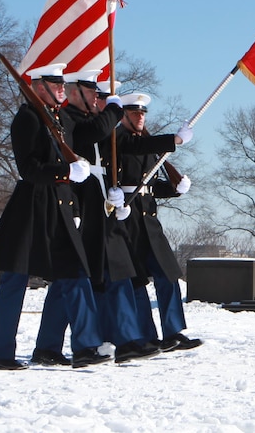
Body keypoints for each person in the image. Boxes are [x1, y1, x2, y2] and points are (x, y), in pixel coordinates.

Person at [0, 63, 122, 370]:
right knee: (14, 281)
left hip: (60, 207)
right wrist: (65, 171)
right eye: (57, 85)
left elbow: (92, 130)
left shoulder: (59, 119)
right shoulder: (28, 118)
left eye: (62, 86)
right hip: (32, 206)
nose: (62, 89)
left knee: (75, 273)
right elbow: (29, 169)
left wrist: (114, 109)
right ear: (39, 86)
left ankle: (85, 346)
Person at [31, 70, 159, 366]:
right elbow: (92, 136)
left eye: (102, 97)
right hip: (83, 207)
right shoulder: (71, 119)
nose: (100, 101)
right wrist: (114, 111)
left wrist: (116, 191)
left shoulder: (98, 122)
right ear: (78, 92)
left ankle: (126, 340)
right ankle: (50, 345)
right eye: (98, 95)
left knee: (118, 273)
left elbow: (122, 151)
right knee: (71, 280)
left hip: (103, 206)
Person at [112, 92, 202, 352]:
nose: (140, 117)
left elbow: (149, 187)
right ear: (124, 116)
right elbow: (135, 151)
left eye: (142, 113)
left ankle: (173, 330)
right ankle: (145, 335)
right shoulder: (119, 139)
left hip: (148, 220)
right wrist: (174, 140)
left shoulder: (147, 142)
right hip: (126, 219)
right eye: (134, 113)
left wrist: (175, 189)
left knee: (168, 274)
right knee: (137, 280)